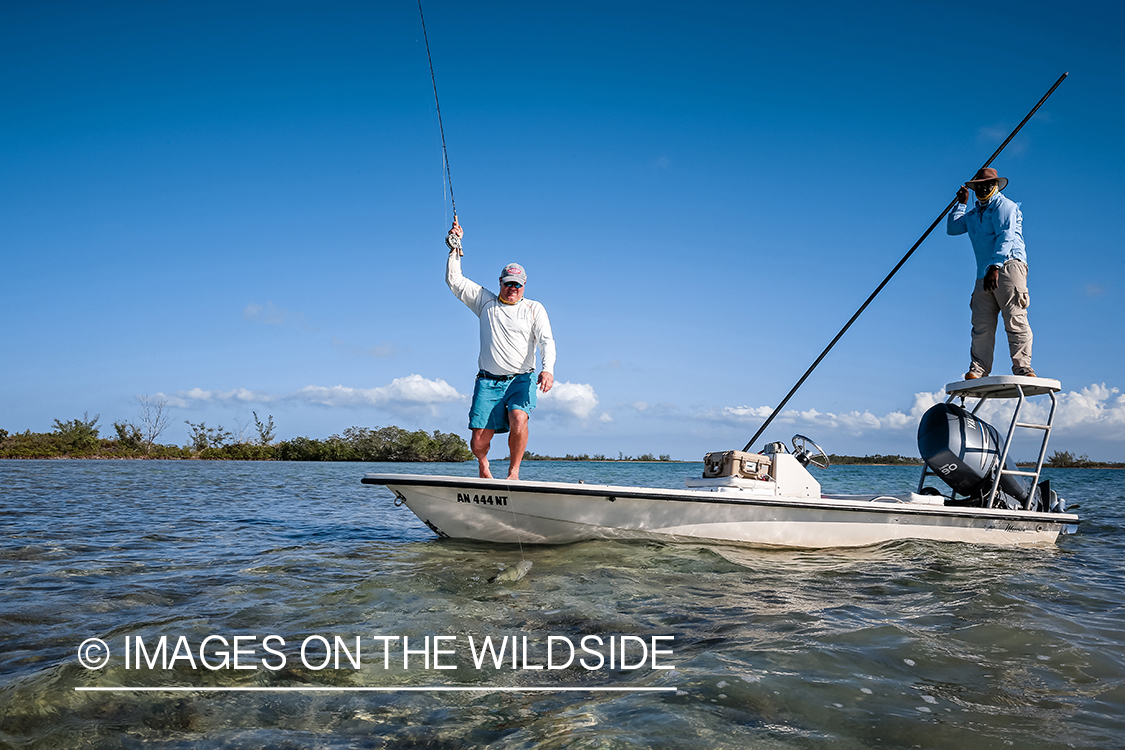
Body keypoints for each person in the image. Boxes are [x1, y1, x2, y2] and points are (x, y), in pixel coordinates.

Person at [445, 218, 555, 480]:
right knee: (478, 442)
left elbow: (546, 340)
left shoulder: (534, 308)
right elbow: (454, 280)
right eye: (508, 283)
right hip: (488, 381)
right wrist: (454, 247)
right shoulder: (485, 302)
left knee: (519, 417)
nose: (512, 288)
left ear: (524, 285)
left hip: (521, 378)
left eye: (517, 284)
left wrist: (547, 369)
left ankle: (513, 473)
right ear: (500, 282)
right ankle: (483, 465)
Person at [946, 167, 1035, 380]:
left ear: (995, 186)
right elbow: (952, 228)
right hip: (984, 272)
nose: (984, 188)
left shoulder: (1005, 206)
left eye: (988, 184)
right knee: (981, 324)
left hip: (1008, 266)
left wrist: (995, 266)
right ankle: (978, 369)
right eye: (979, 186)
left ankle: (1023, 368)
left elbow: (1006, 236)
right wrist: (961, 203)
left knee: (1014, 317)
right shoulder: (975, 214)